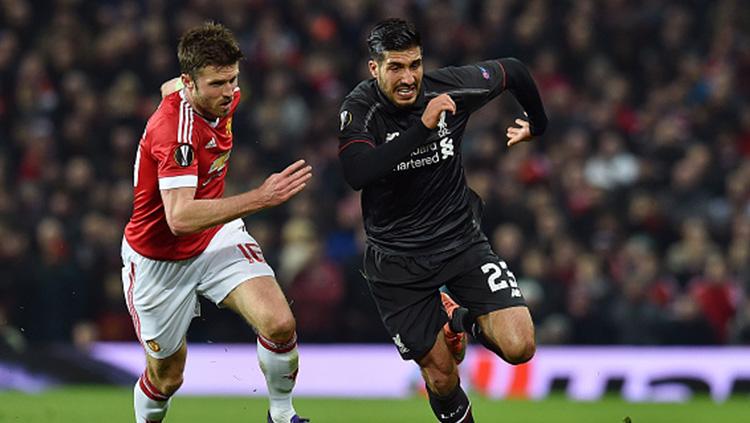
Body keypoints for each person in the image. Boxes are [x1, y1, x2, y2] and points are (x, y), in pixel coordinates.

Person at [337, 18, 547, 422]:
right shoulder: (360, 109)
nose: (408, 77)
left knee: (520, 346)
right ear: (374, 68)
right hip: (397, 263)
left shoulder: (447, 87)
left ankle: (458, 317)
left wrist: (539, 124)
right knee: (441, 376)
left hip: (461, 243)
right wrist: (422, 127)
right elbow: (357, 173)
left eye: (414, 65)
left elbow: (514, 70)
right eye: (395, 67)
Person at [121, 22, 311, 423]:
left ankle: (281, 414)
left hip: (213, 237)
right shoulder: (177, 136)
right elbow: (179, 218)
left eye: (233, 79)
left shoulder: (209, 93)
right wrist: (262, 197)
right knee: (167, 378)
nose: (228, 92)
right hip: (159, 260)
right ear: (191, 84)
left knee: (279, 323)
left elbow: (166, 87)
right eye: (217, 84)